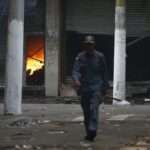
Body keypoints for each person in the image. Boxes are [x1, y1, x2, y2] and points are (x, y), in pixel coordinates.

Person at [72, 35, 109, 142]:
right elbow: (76, 71)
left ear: (94, 45)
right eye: (87, 45)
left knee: (93, 108)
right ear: (84, 45)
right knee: (86, 111)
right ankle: (89, 133)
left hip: (96, 87)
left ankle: (92, 129)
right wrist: (76, 80)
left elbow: (104, 72)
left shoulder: (100, 56)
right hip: (84, 88)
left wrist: (105, 87)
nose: (89, 47)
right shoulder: (80, 57)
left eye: (91, 45)